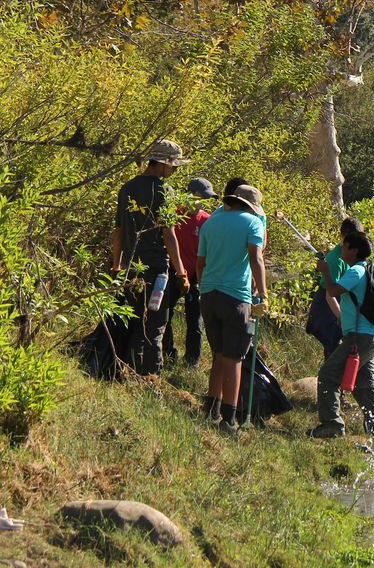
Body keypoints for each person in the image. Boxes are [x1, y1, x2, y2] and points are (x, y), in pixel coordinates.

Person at [310, 231, 374, 447]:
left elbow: (332, 291)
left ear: (354, 250)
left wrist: (326, 271)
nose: (341, 249)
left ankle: (332, 425)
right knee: (365, 386)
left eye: (344, 246)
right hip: (371, 337)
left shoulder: (356, 271)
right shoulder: (366, 269)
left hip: (359, 338)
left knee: (328, 375)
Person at [110, 139, 190, 376]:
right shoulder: (165, 191)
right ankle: (151, 379)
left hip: (130, 268)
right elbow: (169, 234)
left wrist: (116, 264)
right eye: (174, 166)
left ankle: (130, 373)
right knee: (155, 326)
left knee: (136, 321)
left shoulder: (127, 188)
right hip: (156, 270)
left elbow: (118, 231)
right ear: (163, 163)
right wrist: (181, 272)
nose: (175, 171)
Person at [197, 183, 268, 434]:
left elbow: (200, 262)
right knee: (235, 358)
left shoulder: (211, 222)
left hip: (208, 294)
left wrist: (203, 286)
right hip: (236, 297)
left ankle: (211, 410)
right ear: (251, 206)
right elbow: (256, 259)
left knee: (218, 354)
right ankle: (229, 419)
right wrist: (263, 294)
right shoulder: (252, 223)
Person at [166, 177, 217, 367]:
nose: (206, 201)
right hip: (173, 272)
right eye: (203, 197)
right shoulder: (175, 215)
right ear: (192, 196)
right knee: (164, 316)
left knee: (195, 323)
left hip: (196, 277)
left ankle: (192, 362)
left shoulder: (207, 220)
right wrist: (179, 273)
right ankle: (168, 354)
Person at [306, 217, 366, 359]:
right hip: (327, 308)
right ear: (343, 238)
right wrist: (341, 317)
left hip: (339, 305)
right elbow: (330, 294)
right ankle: (329, 380)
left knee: (341, 353)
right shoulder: (336, 260)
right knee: (335, 351)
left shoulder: (353, 257)